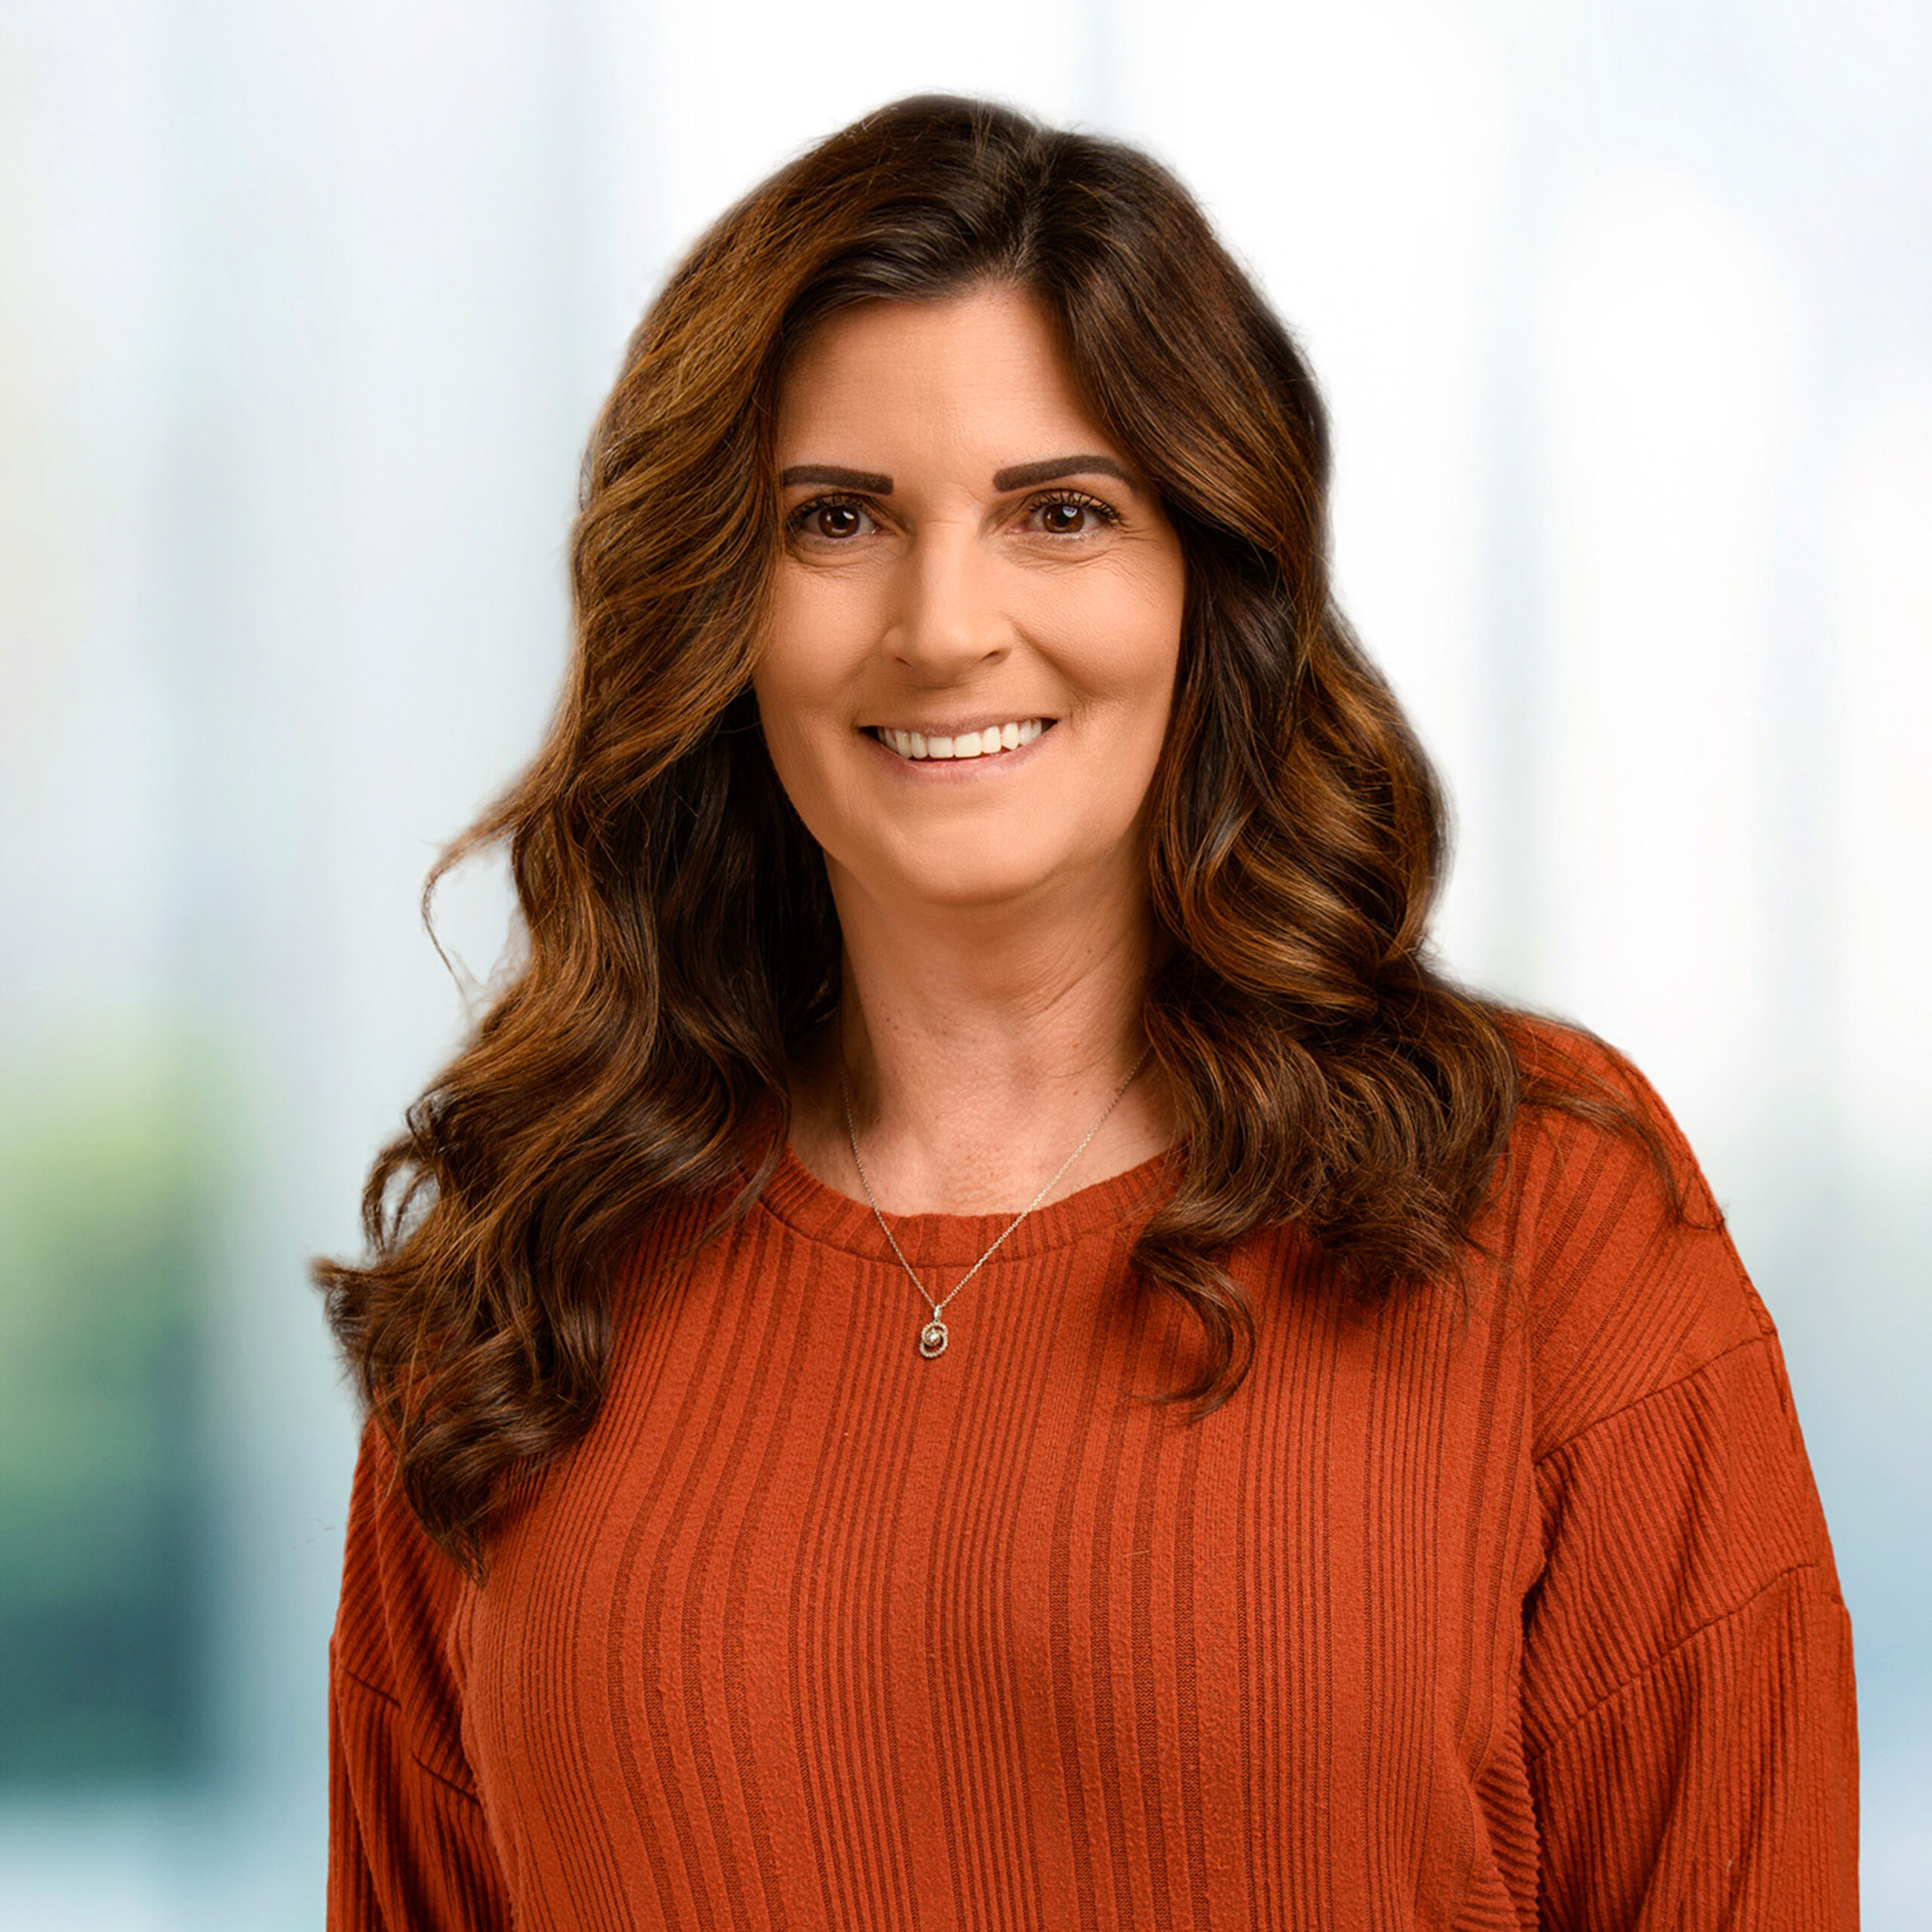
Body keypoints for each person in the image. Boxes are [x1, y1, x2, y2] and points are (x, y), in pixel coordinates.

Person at [317, 95, 1857, 1929]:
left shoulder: (1545, 1207)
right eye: (835, 520)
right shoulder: (532, 1260)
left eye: (1059, 513)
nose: (943, 623)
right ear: (718, 604)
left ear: (1212, 580)